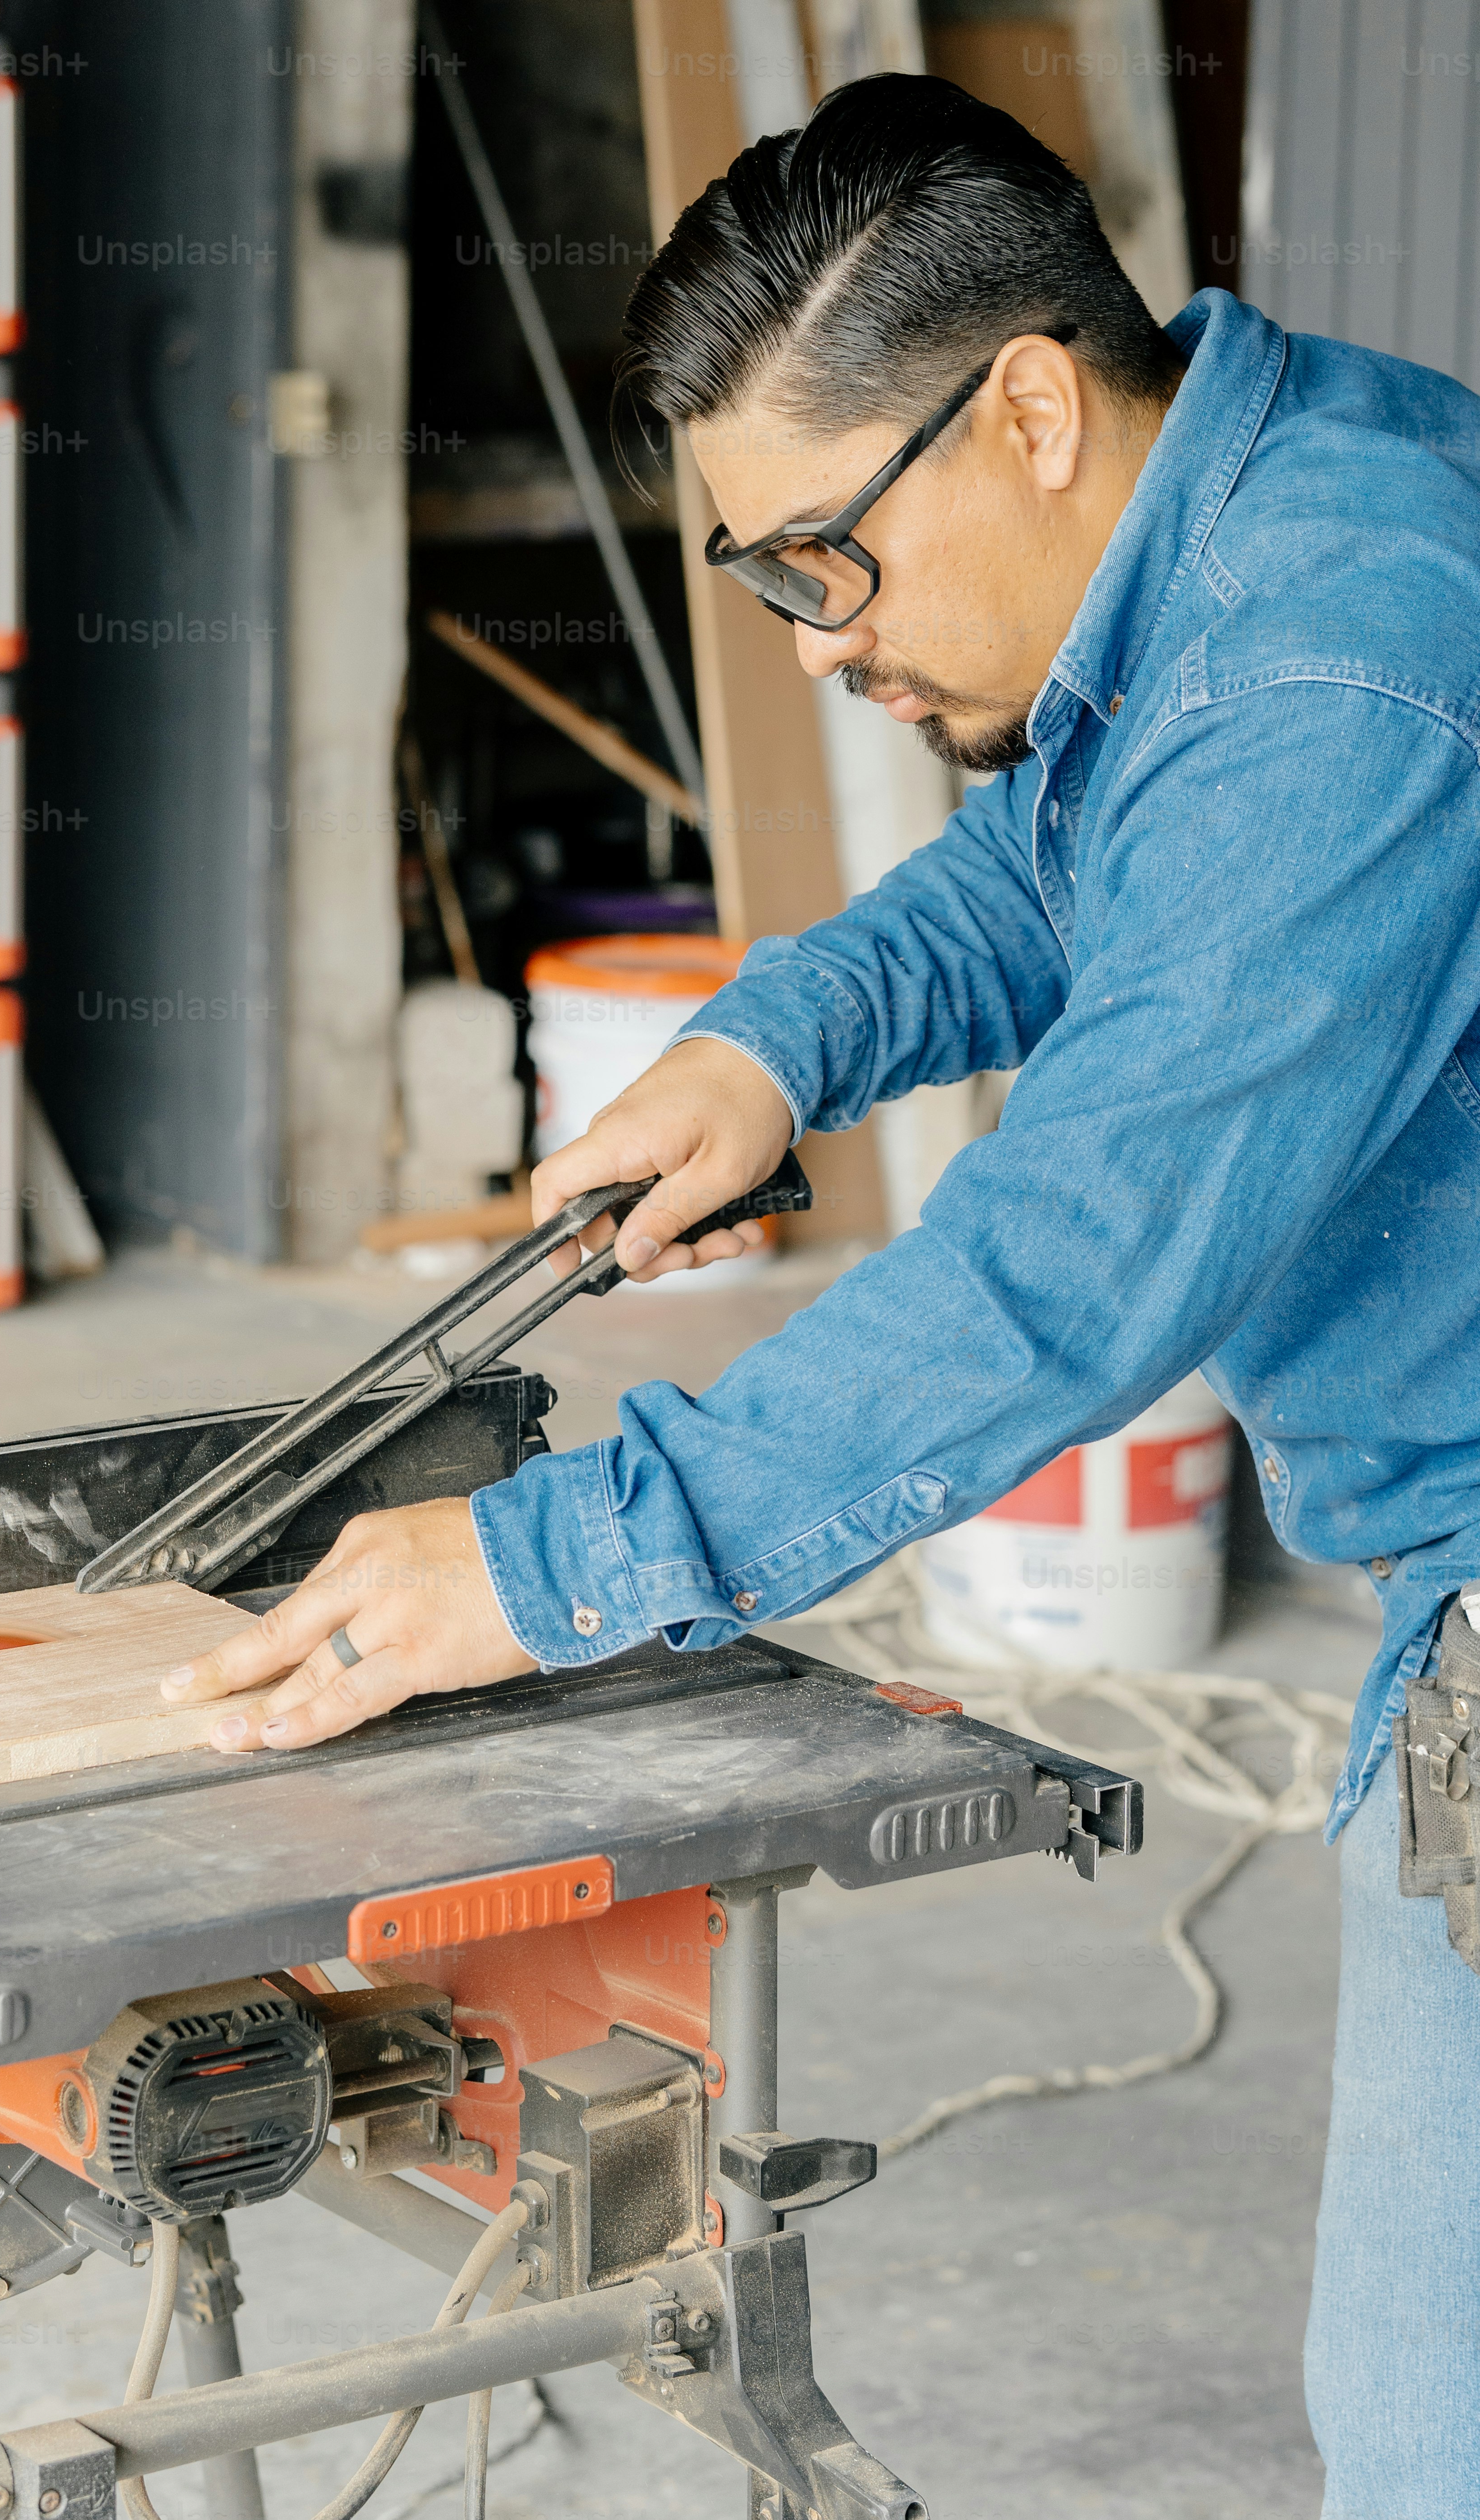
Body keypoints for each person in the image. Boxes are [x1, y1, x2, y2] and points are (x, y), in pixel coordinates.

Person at [161, 76, 1480, 2511]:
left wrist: (552, 1561)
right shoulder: (1261, 508)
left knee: (1432, 2440)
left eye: (813, 570)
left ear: (1030, 411)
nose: (807, 651)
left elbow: (1064, 1268)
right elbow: (1070, 870)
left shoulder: (1338, 663)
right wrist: (780, 1043)